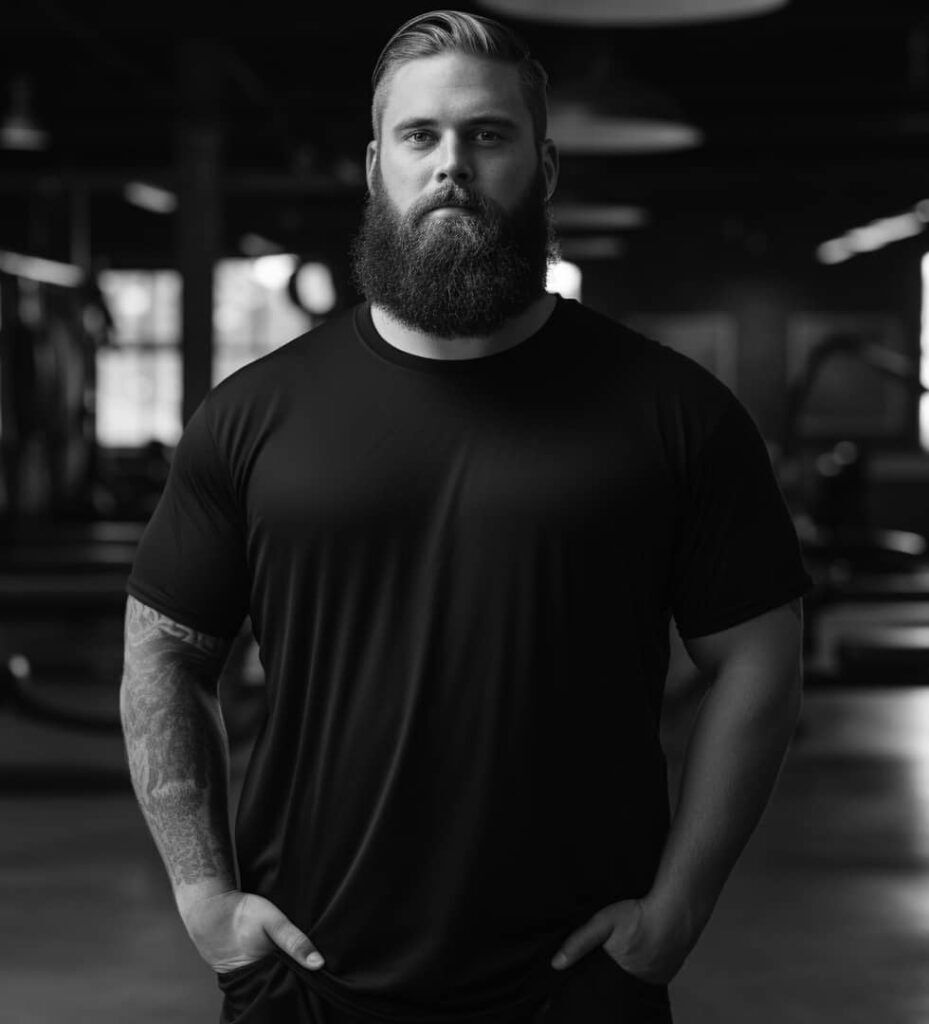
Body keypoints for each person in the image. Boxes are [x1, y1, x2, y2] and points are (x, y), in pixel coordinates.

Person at [120, 10, 814, 1024]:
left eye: (487, 135)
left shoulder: (673, 413)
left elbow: (758, 656)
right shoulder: (255, 413)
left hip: (575, 983)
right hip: (308, 980)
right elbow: (162, 653)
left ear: (543, 166)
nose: (452, 164)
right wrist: (203, 897)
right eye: (420, 136)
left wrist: (677, 908)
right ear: (374, 166)